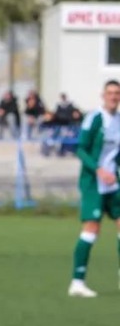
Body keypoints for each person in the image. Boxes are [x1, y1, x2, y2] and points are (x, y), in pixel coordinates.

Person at [70, 80, 120, 298]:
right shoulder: (95, 118)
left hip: (114, 183)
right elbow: (81, 149)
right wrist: (99, 170)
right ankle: (77, 282)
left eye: (117, 93)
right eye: (110, 93)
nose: (114, 96)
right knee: (91, 230)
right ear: (103, 95)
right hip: (94, 184)